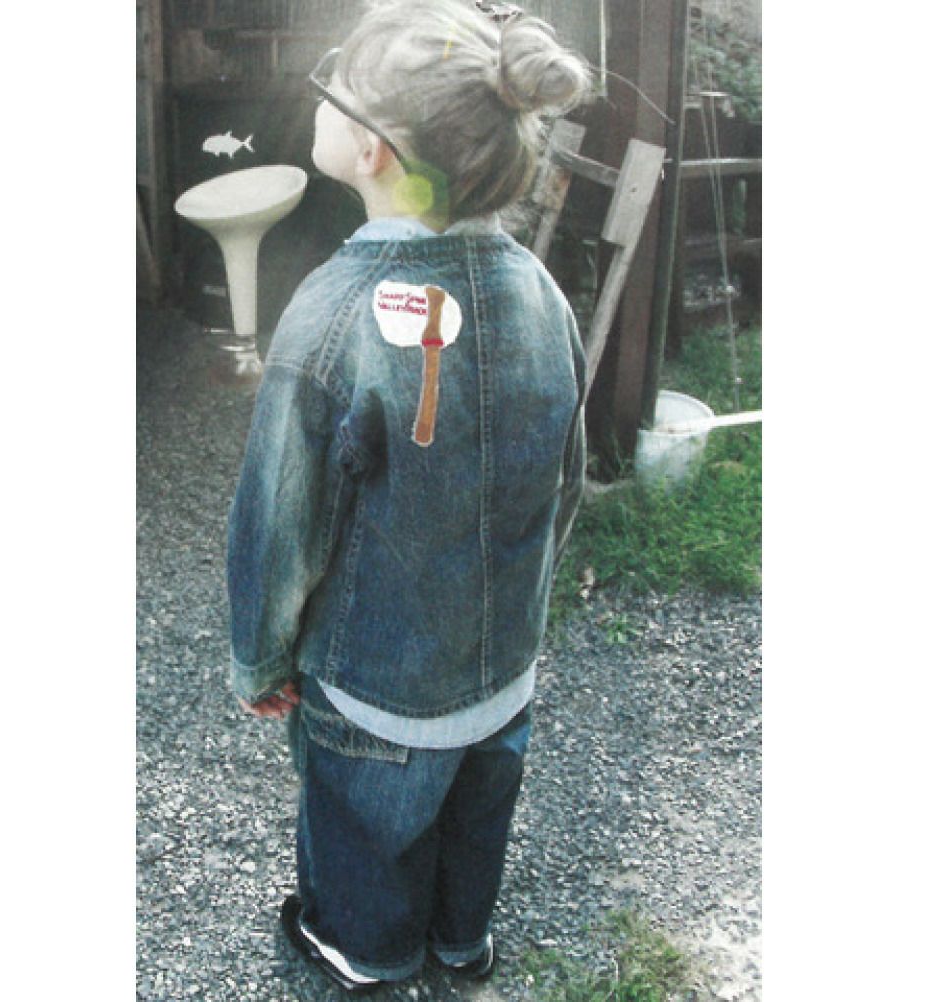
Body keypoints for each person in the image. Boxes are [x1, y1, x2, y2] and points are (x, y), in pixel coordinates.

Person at [228, 0, 592, 991]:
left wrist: (260, 656)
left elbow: (279, 517)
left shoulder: (330, 316)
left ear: (375, 148)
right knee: (476, 816)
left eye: (333, 84)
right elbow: (564, 483)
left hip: (375, 688)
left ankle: (365, 948)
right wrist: (518, 612)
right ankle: (461, 941)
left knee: (365, 829)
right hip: (503, 669)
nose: (319, 94)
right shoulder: (541, 292)